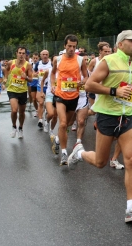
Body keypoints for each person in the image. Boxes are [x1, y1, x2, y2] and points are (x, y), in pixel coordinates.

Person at [67, 30, 132, 223]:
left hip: (127, 116)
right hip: (107, 115)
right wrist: (114, 91)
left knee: (131, 159)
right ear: (120, 44)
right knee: (100, 162)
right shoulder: (109, 61)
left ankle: (131, 208)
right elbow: (89, 85)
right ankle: (79, 152)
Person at [50, 34, 88, 165]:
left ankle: (57, 139)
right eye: (69, 46)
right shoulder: (58, 59)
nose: (72, 49)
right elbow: (53, 74)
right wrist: (53, 85)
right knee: (62, 123)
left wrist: (81, 82)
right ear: (64, 46)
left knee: (68, 124)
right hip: (60, 96)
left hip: (74, 96)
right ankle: (64, 153)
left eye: (74, 46)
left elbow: (86, 76)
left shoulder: (80, 60)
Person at [3, 46, 33, 139]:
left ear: (25, 54)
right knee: (14, 110)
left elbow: (31, 79)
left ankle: (20, 128)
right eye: (20, 53)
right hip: (12, 90)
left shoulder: (28, 65)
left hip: (23, 91)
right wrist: (5, 78)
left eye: (23, 53)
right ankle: (14, 127)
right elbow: (6, 70)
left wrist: (26, 77)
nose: (21, 55)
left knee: (22, 112)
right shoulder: (11, 62)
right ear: (16, 53)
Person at [87, 42, 111, 115]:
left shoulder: (110, 60)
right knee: (95, 111)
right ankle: (82, 114)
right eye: (105, 51)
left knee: (98, 110)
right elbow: (87, 72)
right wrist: (93, 76)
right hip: (96, 87)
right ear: (100, 51)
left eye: (108, 51)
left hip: (106, 87)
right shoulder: (94, 61)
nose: (107, 53)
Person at [35, 50, 51, 130]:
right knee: (40, 103)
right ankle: (40, 120)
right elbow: (34, 73)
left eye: (46, 54)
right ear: (40, 55)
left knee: (48, 105)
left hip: (49, 87)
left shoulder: (51, 63)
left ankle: (46, 117)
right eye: (43, 54)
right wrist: (36, 74)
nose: (45, 56)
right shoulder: (38, 63)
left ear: (48, 55)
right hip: (40, 86)